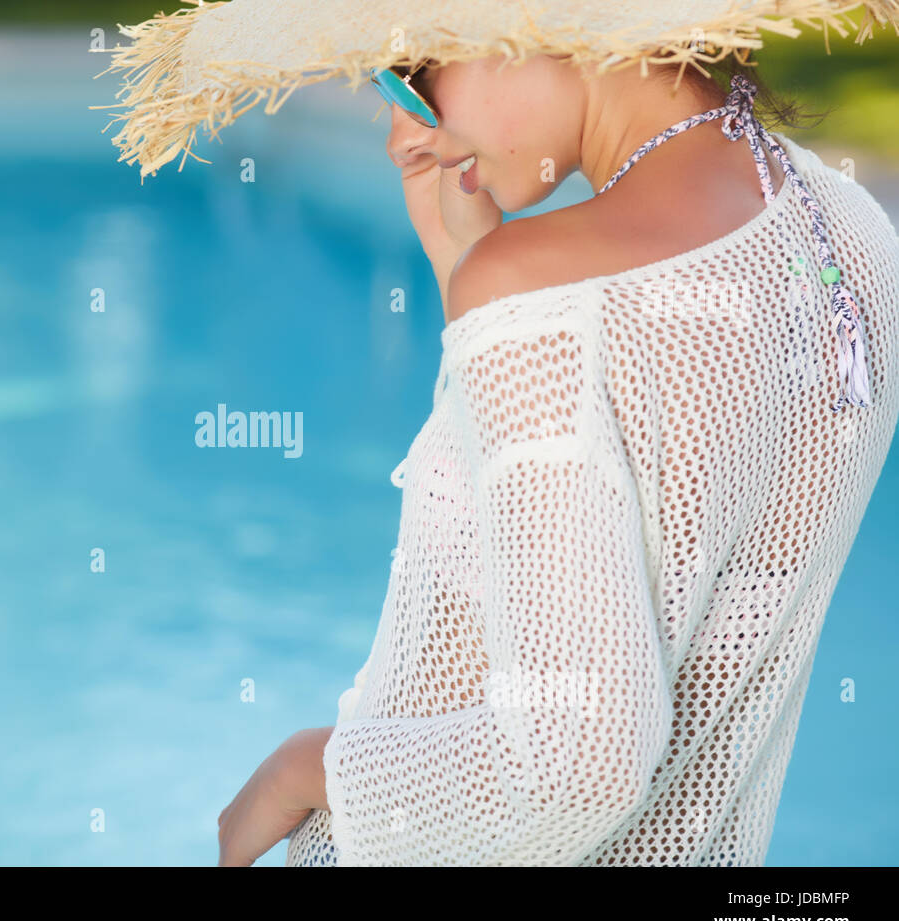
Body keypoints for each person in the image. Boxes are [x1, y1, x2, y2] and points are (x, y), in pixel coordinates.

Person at [92, 0, 899, 866]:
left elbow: (575, 765)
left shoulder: (537, 295)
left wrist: (298, 772)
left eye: (415, 69)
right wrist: (465, 281)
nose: (413, 129)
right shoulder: (848, 232)